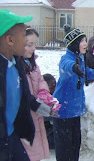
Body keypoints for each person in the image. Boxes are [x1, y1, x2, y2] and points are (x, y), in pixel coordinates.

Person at [53, 25, 94, 161]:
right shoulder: (67, 59)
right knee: (64, 149)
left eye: (85, 40)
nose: (85, 44)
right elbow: (66, 65)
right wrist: (73, 67)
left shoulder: (81, 57)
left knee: (75, 145)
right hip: (63, 112)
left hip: (74, 110)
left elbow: (86, 72)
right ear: (74, 44)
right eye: (82, 41)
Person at [0, 9, 38, 160]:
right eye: (24, 36)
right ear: (10, 40)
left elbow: (21, 95)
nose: (27, 41)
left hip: (11, 136)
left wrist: (34, 104)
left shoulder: (16, 63)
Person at [20, 26, 61, 161]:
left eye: (35, 44)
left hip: (35, 114)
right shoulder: (16, 65)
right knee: (26, 151)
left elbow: (40, 80)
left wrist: (44, 93)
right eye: (29, 45)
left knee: (35, 149)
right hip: (25, 115)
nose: (33, 48)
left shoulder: (33, 64)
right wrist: (37, 104)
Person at [43, 73, 57, 150]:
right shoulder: (41, 99)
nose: (55, 89)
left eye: (56, 85)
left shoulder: (54, 95)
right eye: (52, 87)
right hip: (46, 132)